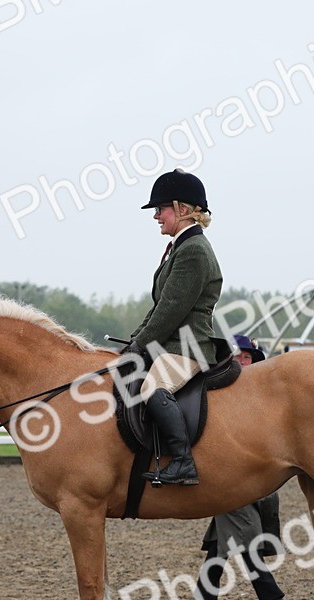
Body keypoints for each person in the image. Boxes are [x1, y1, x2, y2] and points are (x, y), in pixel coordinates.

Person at [123, 168, 221, 486]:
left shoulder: (193, 250)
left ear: (181, 209)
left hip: (188, 345)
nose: (156, 216)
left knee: (153, 388)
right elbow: (159, 308)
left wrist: (141, 346)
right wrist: (134, 341)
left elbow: (170, 311)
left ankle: (182, 463)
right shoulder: (180, 246)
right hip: (172, 342)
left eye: (160, 208)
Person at [194, 335, 295, 600]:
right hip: (227, 474)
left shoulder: (261, 400)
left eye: (247, 357)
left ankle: (204, 593)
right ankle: (270, 597)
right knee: (248, 532)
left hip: (248, 475)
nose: (242, 361)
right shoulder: (219, 395)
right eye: (238, 356)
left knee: (223, 539)